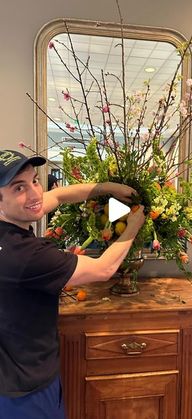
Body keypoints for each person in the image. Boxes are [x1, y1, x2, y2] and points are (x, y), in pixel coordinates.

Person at [0, 149, 145, 419]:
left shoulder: (10, 226)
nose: (34, 194)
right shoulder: (24, 255)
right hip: (25, 389)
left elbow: (57, 196)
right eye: (19, 187)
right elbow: (104, 269)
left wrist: (108, 188)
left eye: (34, 180)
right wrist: (134, 225)